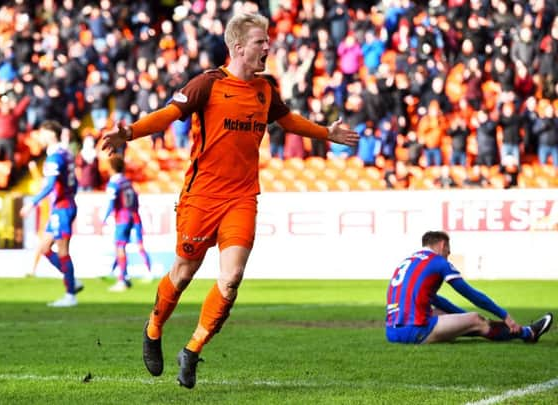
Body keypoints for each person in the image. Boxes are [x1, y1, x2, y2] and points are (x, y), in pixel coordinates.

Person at [102, 12, 359, 389]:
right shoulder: (206, 84)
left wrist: (326, 133)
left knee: (232, 277)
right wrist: (130, 131)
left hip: (241, 197)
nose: (267, 47)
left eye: (268, 41)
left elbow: (288, 122)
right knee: (184, 272)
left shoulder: (266, 89)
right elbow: (167, 115)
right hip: (201, 196)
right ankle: (154, 327)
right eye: (260, 42)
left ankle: (191, 350)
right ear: (238, 47)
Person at [386, 231, 553, 344]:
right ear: (443, 245)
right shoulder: (438, 261)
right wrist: (504, 315)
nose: (448, 255)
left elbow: (437, 300)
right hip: (413, 331)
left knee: (448, 315)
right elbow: (470, 294)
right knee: (475, 320)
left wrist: (460, 315)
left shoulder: (408, 262)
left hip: (392, 332)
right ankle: (528, 333)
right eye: (448, 252)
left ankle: (518, 331)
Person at [20, 120, 83, 307]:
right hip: (63, 206)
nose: (39, 137)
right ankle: (72, 279)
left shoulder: (55, 157)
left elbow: (49, 185)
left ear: (50, 134)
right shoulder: (66, 153)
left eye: (42, 132)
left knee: (63, 250)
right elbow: (75, 182)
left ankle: (70, 295)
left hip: (62, 208)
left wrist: (32, 202)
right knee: (44, 248)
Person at [101, 154, 150, 292]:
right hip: (132, 216)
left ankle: (122, 280)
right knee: (124, 247)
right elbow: (135, 198)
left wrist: (104, 219)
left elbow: (111, 203)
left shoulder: (114, 183)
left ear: (111, 168)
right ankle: (125, 277)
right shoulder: (127, 181)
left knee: (120, 247)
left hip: (121, 219)